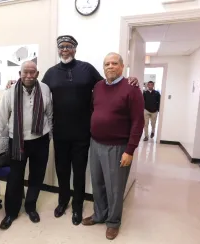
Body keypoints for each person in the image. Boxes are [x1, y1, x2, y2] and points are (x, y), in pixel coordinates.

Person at [41, 35, 139, 225]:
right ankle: (63, 202)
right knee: (62, 171)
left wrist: (130, 80)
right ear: (58, 49)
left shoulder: (86, 69)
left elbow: (110, 84)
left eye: (69, 46)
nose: (65, 50)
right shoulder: (51, 73)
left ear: (75, 49)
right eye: (61, 47)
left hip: (83, 134)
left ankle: (77, 207)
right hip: (60, 133)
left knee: (79, 172)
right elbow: (38, 89)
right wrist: (15, 83)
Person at [82, 52, 144, 240]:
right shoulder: (98, 87)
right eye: (107, 63)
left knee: (115, 188)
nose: (110, 66)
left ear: (122, 66)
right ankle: (100, 215)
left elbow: (138, 122)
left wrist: (130, 150)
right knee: (98, 183)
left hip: (118, 147)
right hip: (96, 143)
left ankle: (113, 222)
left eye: (114, 63)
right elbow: (95, 110)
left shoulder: (132, 89)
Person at [0, 61, 53, 230]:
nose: (29, 76)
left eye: (32, 72)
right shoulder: (10, 92)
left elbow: (50, 115)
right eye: (25, 72)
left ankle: (30, 207)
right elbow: (0, 119)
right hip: (17, 141)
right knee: (15, 178)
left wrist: (49, 135)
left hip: (40, 140)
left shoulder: (45, 89)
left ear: (37, 74)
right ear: (19, 73)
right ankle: (11, 212)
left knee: (37, 176)